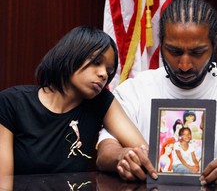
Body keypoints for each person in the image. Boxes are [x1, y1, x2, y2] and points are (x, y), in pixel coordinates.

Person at [96, 0, 217, 186]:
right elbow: (105, 151)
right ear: (161, 43)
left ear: (214, 43)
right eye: (174, 52)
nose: (184, 65)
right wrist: (122, 156)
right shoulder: (134, 89)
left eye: (197, 53)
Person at [0, 26, 148, 177]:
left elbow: (144, 152)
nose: (104, 74)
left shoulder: (101, 101)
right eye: (97, 62)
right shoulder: (11, 102)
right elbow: (3, 181)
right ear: (72, 54)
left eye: (109, 71)